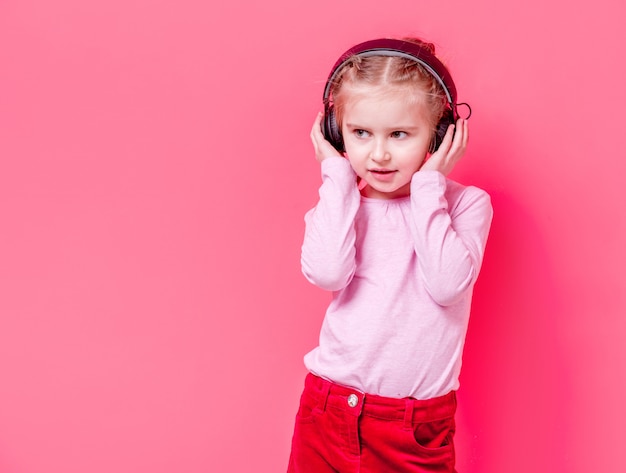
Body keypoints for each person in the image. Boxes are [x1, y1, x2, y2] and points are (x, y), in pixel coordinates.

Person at [287, 37, 493, 473]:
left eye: (399, 134)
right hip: (327, 413)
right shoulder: (341, 204)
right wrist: (337, 178)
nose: (378, 154)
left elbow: (446, 284)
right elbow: (327, 273)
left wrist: (427, 188)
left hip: (413, 430)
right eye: (360, 133)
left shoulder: (466, 205)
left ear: (441, 133)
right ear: (334, 131)